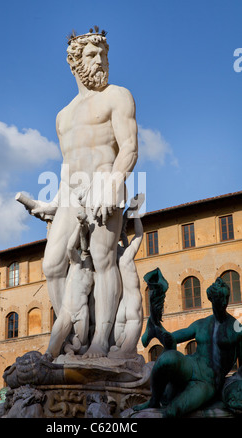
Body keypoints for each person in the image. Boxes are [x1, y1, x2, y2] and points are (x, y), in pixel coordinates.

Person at [29, 28, 138, 358]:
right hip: (71, 195)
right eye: (92, 55)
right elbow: (66, 166)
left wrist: (113, 185)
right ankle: (74, 334)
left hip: (105, 184)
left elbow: (129, 148)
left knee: (104, 261)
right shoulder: (63, 116)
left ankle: (101, 341)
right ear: (74, 62)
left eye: (103, 55)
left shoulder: (117, 96)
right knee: (52, 265)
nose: (100, 60)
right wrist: (52, 206)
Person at [133, 277, 242, 417]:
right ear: (211, 300)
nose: (222, 303)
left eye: (225, 299)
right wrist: (157, 328)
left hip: (208, 381)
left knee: (173, 411)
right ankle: (154, 400)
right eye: (218, 299)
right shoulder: (201, 324)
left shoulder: (236, 328)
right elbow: (174, 338)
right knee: (167, 358)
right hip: (191, 364)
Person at [45, 211, 94, 359]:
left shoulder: (95, 274)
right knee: (53, 344)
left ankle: (74, 359)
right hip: (67, 310)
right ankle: (49, 361)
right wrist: (79, 226)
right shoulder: (76, 263)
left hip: (82, 311)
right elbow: (70, 248)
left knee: (82, 346)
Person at [109, 194, 144, 358]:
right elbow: (138, 235)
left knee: (119, 352)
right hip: (128, 302)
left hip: (124, 305)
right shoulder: (126, 254)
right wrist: (135, 212)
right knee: (119, 352)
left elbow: (136, 235)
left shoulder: (114, 256)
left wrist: (133, 212)